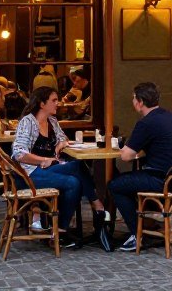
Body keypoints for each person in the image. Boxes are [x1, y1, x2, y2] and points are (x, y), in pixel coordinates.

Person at [12, 86, 111, 251]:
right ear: (42, 104)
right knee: (74, 179)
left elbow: (62, 138)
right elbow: (19, 154)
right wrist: (42, 160)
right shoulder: (28, 122)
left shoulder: (52, 121)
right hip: (27, 174)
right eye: (54, 100)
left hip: (47, 169)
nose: (58, 103)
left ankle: (61, 229)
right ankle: (95, 207)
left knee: (76, 172)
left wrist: (61, 144)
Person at [110, 82, 172, 252]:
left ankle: (137, 234)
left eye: (133, 98)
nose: (133, 102)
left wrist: (121, 148)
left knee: (116, 185)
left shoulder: (146, 123)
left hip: (163, 181)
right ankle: (146, 224)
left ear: (140, 101)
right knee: (128, 180)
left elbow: (126, 156)